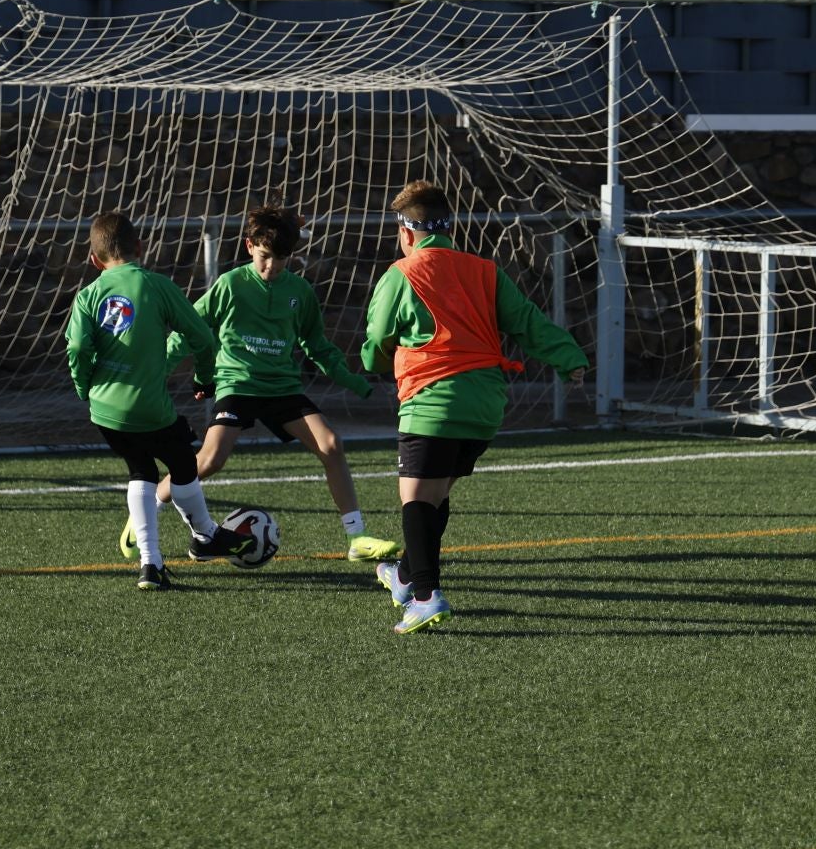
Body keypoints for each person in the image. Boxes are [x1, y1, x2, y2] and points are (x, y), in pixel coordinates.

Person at [360, 181, 588, 634]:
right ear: (449, 227)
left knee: (416, 499)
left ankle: (426, 596)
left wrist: (381, 356)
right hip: (485, 405)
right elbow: (526, 321)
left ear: (406, 232)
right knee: (435, 495)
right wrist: (570, 357)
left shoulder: (401, 274)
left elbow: (373, 351)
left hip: (434, 400)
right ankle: (405, 575)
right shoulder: (485, 270)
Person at [119, 204, 400, 564]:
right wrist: (158, 372)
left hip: (282, 388)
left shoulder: (300, 292)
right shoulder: (231, 285)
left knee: (331, 444)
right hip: (237, 383)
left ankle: (357, 537)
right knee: (210, 460)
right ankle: (148, 510)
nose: (272, 267)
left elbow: (318, 347)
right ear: (250, 246)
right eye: (266, 257)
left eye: (281, 259)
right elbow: (190, 330)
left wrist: (353, 381)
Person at [66, 210, 254, 590]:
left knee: (141, 471)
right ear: (140, 246)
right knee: (184, 464)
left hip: (104, 411)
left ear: (93, 259)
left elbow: (77, 348)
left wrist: (85, 388)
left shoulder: (87, 296)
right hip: (149, 409)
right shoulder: (157, 286)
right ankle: (206, 534)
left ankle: (151, 565)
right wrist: (204, 376)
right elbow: (202, 337)